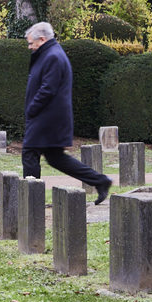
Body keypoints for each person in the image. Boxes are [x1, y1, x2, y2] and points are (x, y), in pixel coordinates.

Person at [23, 22, 112, 205]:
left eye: (31, 43)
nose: (30, 47)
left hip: (47, 118)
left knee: (30, 153)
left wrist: (32, 108)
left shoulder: (53, 56)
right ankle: (100, 181)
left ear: (42, 39)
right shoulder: (49, 54)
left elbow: (48, 89)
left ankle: (31, 204)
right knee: (56, 158)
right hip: (49, 118)